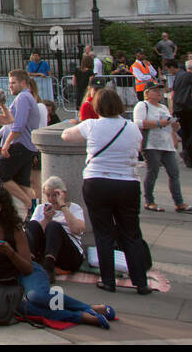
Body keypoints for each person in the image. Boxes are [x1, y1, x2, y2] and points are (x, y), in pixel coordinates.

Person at [0, 183, 114, 327]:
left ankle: (86, 308)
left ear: (0, 206)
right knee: (24, 308)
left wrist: (10, 252)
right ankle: (81, 315)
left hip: (25, 274)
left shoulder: (14, 228)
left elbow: (27, 268)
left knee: (38, 297)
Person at [61, 88, 152, 294]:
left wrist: (74, 124)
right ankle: (141, 281)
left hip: (97, 181)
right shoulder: (132, 128)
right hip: (127, 182)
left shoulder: (91, 125)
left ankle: (108, 280)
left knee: (104, 232)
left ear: (97, 107)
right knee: (131, 232)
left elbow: (66, 136)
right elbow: (138, 148)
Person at [134, 83, 192, 214]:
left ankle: (179, 202)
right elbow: (138, 123)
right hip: (151, 144)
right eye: (155, 91)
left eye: (159, 91)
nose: (158, 93)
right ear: (147, 93)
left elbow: (170, 123)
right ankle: (149, 201)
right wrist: (158, 123)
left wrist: (174, 129)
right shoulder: (142, 105)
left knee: (174, 172)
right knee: (153, 171)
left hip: (166, 143)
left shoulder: (163, 107)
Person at [0, 69, 43, 214]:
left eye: (13, 83)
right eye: (9, 83)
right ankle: (33, 213)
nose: (10, 86)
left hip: (20, 145)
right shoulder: (26, 97)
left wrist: (6, 143)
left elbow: (19, 125)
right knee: (23, 182)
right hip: (27, 146)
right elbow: (12, 122)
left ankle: (28, 203)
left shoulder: (23, 98)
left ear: (23, 82)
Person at [25, 176, 86, 278]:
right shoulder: (41, 208)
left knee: (53, 226)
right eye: (48, 195)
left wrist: (62, 206)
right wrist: (46, 219)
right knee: (34, 224)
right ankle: (29, 262)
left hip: (69, 255)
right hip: (44, 252)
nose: (51, 199)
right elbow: (32, 234)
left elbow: (77, 230)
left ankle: (48, 267)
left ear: (63, 194)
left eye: (55, 195)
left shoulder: (75, 208)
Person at [172, 59, 192, 169]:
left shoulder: (179, 76)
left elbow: (173, 93)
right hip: (189, 107)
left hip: (179, 107)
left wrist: (173, 108)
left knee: (186, 132)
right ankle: (187, 152)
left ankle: (189, 160)